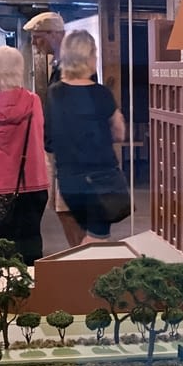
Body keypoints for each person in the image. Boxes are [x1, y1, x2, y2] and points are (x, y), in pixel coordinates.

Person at [44, 29, 126, 245]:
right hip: (101, 180)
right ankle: (82, 266)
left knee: (84, 232)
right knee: (97, 238)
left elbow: (49, 139)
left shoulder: (54, 93)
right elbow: (119, 133)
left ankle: (80, 261)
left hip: (69, 180)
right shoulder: (101, 93)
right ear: (88, 56)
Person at [0, 46, 49, 265]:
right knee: (32, 244)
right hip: (35, 183)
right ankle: (34, 283)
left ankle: (9, 286)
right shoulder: (34, 101)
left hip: (0, 189)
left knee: (5, 250)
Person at [24, 11, 85, 247]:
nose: (34, 43)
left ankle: (83, 258)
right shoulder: (61, 64)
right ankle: (80, 256)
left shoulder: (73, 65)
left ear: (54, 34)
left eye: (38, 37)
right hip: (61, 149)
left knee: (69, 210)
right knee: (63, 209)